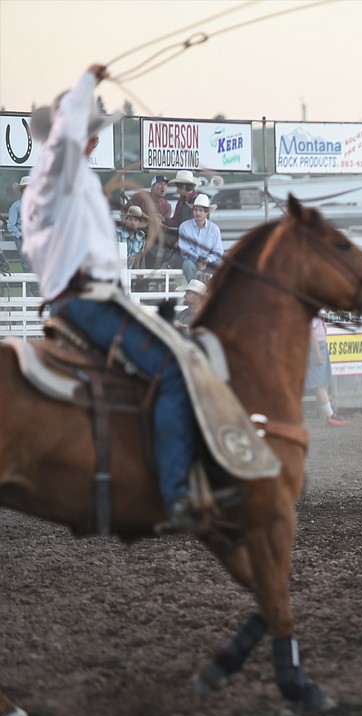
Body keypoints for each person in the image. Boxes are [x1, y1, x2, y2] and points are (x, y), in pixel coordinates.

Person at [23, 62, 200, 531]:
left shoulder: (47, 188)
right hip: (89, 302)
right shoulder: (62, 168)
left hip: (73, 298)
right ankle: (175, 494)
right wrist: (86, 81)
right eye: (88, 134)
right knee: (173, 370)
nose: (91, 142)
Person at [306, 313, 348, 427]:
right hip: (317, 346)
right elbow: (311, 329)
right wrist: (317, 352)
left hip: (320, 345)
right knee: (320, 384)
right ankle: (330, 416)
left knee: (322, 383)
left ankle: (329, 415)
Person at [127, 174, 171, 267]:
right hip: (136, 235)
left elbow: (163, 224)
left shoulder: (167, 205)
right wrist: (147, 218)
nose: (163, 186)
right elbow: (128, 210)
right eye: (160, 184)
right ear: (152, 186)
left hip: (155, 240)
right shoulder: (140, 197)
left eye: (165, 185)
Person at [178, 193, 223, 282]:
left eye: (201, 210)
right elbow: (184, 249)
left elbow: (218, 251)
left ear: (207, 212)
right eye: (195, 210)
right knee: (188, 265)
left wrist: (207, 260)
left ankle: (212, 289)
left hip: (209, 261)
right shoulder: (184, 226)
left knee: (221, 267)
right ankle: (194, 290)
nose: (198, 213)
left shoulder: (214, 229)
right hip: (192, 260)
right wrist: (198, 260)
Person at [6, 176, 32, 273]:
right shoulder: (16, 206)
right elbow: (11, 225)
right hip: (22, 236)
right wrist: (20, 236)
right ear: (22, 191)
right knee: (27, 261)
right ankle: (32, 287)